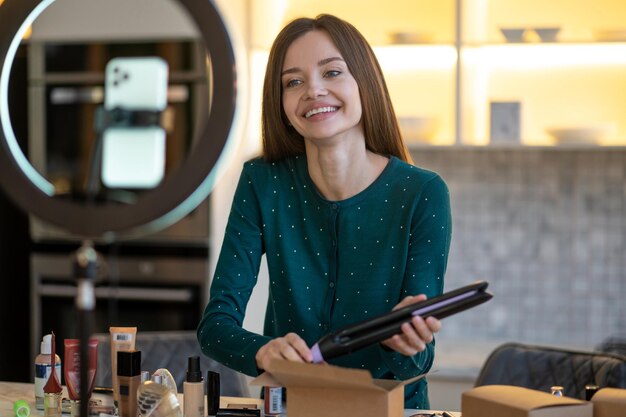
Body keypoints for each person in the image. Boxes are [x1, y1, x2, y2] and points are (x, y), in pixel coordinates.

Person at [197, 14, 452, 409]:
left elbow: (419, 359)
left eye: (332, 72)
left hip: (389, 408)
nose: (313, 90)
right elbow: (215, 327)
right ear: (280, 102)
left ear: (364, 82)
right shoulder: (262, 182)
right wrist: (263, 352)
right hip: (289, 405)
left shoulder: (422, 193)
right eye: (293, 81)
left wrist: (408, 344)